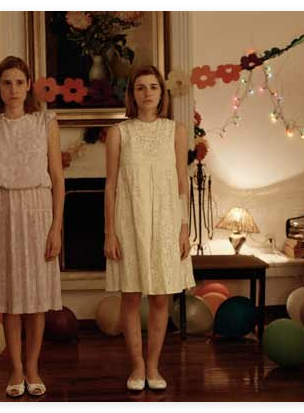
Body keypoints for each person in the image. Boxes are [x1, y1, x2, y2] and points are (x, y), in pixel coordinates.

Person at [0, 56, 64, 397]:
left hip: (38, 211)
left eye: (20, 82)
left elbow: (58, 178)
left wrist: (56, 228)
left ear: (29, 87)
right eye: (7, 82)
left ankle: (33, 367)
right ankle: (15, 369)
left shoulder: (45, 122)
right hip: (1, 211)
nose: (13, 89)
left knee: (35, 298)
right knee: (10, 298)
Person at [104, 65, 195, 391]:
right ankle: (137, 366)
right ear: (132, 93)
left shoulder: (176, 131)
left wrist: (183, 228)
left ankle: (154, 366)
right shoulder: (119, 133)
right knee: (130, 298)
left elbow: (182, 183)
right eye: (140, 87)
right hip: (129, 223)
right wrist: (109, 232)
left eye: (153, 87)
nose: (147, 93)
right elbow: (111, 186)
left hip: (167, 222)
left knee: (160, 298)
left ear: (161, 92)